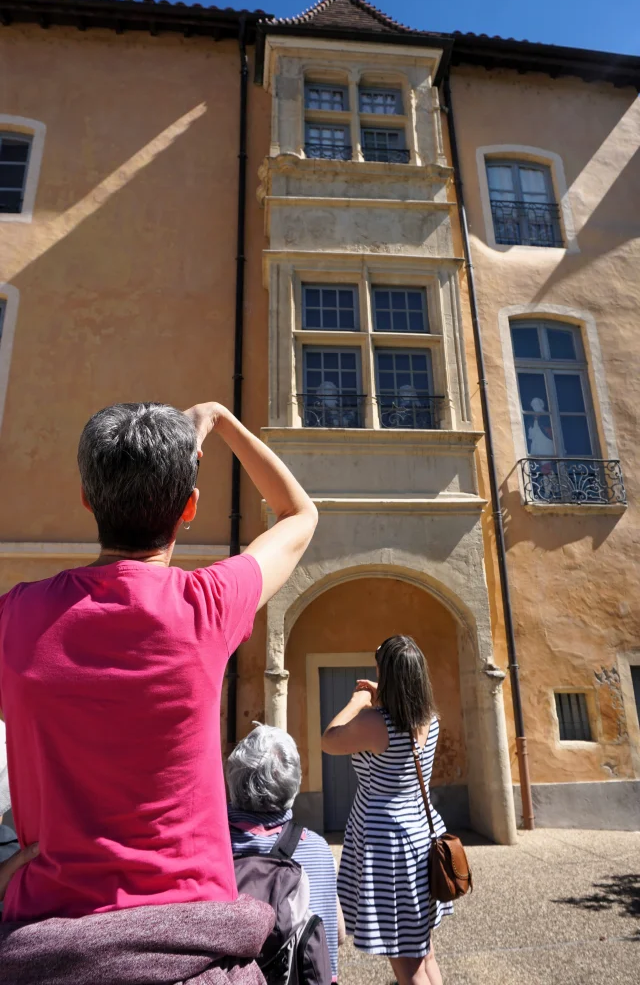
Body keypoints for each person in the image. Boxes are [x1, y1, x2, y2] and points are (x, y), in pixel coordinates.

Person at [0, 401, 317, 922]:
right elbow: (299, 514)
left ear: (86, 498)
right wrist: (219, 418)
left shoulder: (16, 615)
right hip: (189, 927)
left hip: (49, 927)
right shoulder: (206, 605)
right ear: (189, 507)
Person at [321, 635, 453, 985]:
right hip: (420, 832)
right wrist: (383, 693)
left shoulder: (375, 722)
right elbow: (402, 713)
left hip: (387, 844)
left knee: (406, 963)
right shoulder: (429, 718)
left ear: (388, 675)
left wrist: (357, 700)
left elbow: (329, 738)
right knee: (423, 951)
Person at [227, 724, 344, 982]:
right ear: (294, 783)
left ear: (233, 777)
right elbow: (337, 935)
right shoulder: (317, 848)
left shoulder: (213, 847)